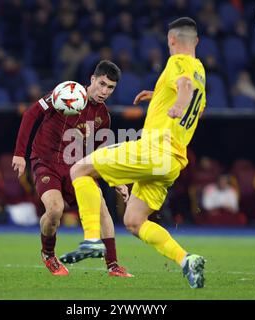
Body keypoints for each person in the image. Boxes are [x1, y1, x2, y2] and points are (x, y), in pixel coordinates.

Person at [70, 17, 207, 288]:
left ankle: (92, 240)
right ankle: (186, 260)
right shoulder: (200, 71)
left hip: (154, 150)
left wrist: (177, 104)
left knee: (79, 169)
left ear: (171, 40)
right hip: (173, 161)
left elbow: (184, 89)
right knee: (134, 220)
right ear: (197, 42)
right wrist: (158, 96)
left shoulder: (178, 61)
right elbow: (197, 105)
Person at [12, 60, 132, 277]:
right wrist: (20, 154)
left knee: (101, 209)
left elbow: (99, 155)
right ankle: (48, 254)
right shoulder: (67, 92)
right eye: (102, 84)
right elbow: (31, 114)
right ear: (92, 79)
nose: (104, 91)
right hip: (46, 161)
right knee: (55, 210)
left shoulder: (103, 116)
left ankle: (113, 266)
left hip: (76, 168)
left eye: (110, 88)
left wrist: (116, 180)